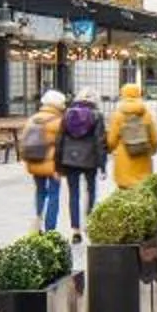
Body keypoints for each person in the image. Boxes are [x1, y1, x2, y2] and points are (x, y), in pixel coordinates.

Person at [54, 87, 107, 238]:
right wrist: (102, 166)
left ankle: (75, 229)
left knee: (73, 194)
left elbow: (59, 140)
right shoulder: (97, 116)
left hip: (69, 160)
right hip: (90, 160)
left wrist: (58, 165)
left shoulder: (67, 115)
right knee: (91, 191)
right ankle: (89, 221)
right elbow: (99, 142)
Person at [20, 88, 68, 231]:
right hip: (53, 165)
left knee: (40, 191)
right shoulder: (59, 121)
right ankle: (50, 228)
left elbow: (23, 141)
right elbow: (63, 146)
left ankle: (38, 220)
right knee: (54, 195)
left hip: (34, 161)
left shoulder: (33, 119)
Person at [108, 81, 157, 190]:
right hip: (143, 160)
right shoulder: (146, 114)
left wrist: (112, 150)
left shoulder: (118, 115)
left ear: (123, 94)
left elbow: (111, 141)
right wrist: (152, 151)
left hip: (123, 161)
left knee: (124, 198)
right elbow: (155, 140)